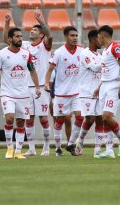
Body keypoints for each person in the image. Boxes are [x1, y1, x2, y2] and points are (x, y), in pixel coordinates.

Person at [4, 9, 52, 156]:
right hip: (25, 89)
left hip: (41, 88)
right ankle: (31, 149)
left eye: (35, 30)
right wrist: (7, 23)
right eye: (31, 29)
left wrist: (40, 21)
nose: (31, 31)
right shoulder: (24, 45)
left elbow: (50, 35)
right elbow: (7, 39)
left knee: (43, 118)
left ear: (41, 34)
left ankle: (46, 146)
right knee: (28, 119)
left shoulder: (45, 45)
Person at [0, 27, 41, 159]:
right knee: (9, 118)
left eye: (21, 36)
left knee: (20, 122)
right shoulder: (1, 54)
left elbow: (32, 71)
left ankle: (18, 151)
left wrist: (37, 87)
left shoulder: (26, 54)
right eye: (17, 36)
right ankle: (9, 148)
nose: (20, 38)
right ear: (10, 39)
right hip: (7, 93)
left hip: (23, 94)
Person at [45, 26, 83, 156]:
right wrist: (46, 83)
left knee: (80, 117)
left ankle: (71, 144)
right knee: (59, 120)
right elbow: (50, 70)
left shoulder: (82, 51)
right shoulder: (59, 53)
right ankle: (57, 148)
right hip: (61, 94)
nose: (75, 38)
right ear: (66, 37)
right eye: (72, 35)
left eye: (76, 35)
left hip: (77, 93)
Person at [94, 25, 120, 158]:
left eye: (98, 37)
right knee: (104, 119)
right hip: (104, 86)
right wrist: (99, 87)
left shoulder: (115, 47)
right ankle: (109, 150)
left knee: (106, 116)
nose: (97, 39)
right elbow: (106, 71)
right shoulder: (105, 51)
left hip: (114, 85)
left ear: (102, 36)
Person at [75, 30, 104, 157]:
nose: (101, 41)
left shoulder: (100, 55)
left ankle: (97, 149)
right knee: (90, 119)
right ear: (93, 39)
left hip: (98, 92)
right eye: (99, 38)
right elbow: (95, 67)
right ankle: (80, 140)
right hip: (86, 92)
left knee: (100, 119)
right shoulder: (84, 54)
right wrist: (109, 61)